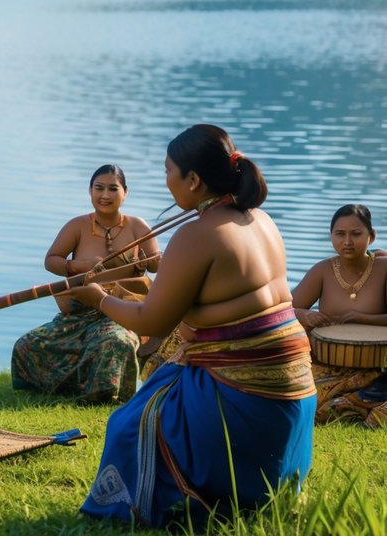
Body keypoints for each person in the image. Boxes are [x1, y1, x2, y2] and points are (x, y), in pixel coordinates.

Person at [69, 125, 315, 527]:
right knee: (164, 380)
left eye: (169, 171)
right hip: (293, 399)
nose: (166, 181)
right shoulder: (261, 219)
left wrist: (98, 298)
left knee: (129, 423)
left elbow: (153, 320)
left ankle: (168, 501)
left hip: (247, 400)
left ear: (194, 180)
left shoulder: (196, 235)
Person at [11, 165, 159, 404]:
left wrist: (151, 259)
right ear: (90, 191)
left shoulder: (138, 227)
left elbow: (155, 265)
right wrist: (79, 266)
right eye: (99, 188)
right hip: (79, 313)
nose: (105, 195)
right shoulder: (77, 225)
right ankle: (64, 388)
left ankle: (103, 396)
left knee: (114, 342)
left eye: (113, 188)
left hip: (119, 312)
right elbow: (51, 260)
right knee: (28, 344)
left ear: (125, 193)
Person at [291, 204, 387, 425]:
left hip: (378, 365)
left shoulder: (383, 268)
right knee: (306, 402)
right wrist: (304, 315)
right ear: (331, 236)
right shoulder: (323, 270)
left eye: (356, 234)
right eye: (340, 234)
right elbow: (284, 309)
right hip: (330, 365)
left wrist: (360, 318)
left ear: (371, 237)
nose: (347, 242)